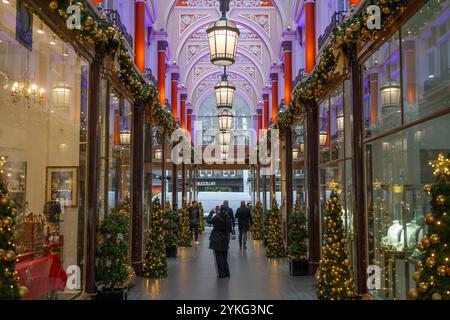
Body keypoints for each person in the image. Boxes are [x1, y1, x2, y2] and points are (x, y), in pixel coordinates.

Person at [207, 205, 231, 278]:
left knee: (218, 257)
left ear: (219, 209)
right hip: (225, 239)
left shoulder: (217, 217)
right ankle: (227, 273)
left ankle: (221, 274)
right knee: (224, 257)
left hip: (216, 239)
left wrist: (212, 212)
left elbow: (208, 221)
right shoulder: (228, 218)